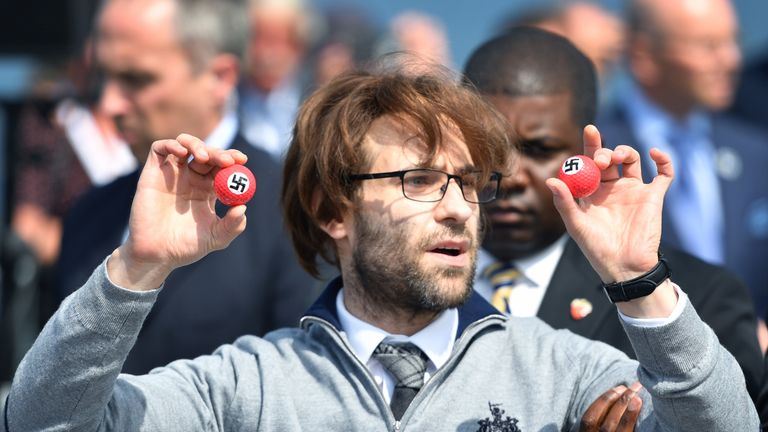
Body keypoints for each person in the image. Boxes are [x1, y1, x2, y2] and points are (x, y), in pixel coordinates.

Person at [3, 62, 758, 430]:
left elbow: (729, 426)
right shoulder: (242, 386)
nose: (461, 207)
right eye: (422, 180)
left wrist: (638, 279)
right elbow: (41, 422)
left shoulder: (558, 366)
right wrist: (136, 270)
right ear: (333, 209)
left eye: (469, 182)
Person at [464, 27, 764, 401]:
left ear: (587, 149)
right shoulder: (403, 281)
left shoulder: (697, 300)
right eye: (489, 147)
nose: (510, 177)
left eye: (539, 150)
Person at [52, 0, 316, 375]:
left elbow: (300, 384)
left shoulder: (293, 206)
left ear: (220, 77)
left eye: (137, 79)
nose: (109, 104)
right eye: (101, 78)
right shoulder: (87, 215)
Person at [596, 0, 768, 321]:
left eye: (734, 40)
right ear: (643, 56)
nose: (732, 59)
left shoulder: (756, 151)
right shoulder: (601, 156)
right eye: (707, 46)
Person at [238, 0, 314, 160]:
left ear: (298, 46)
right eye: (255, 38)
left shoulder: (316, 103)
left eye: (273, 40)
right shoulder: (227, 101)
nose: (262, 52)